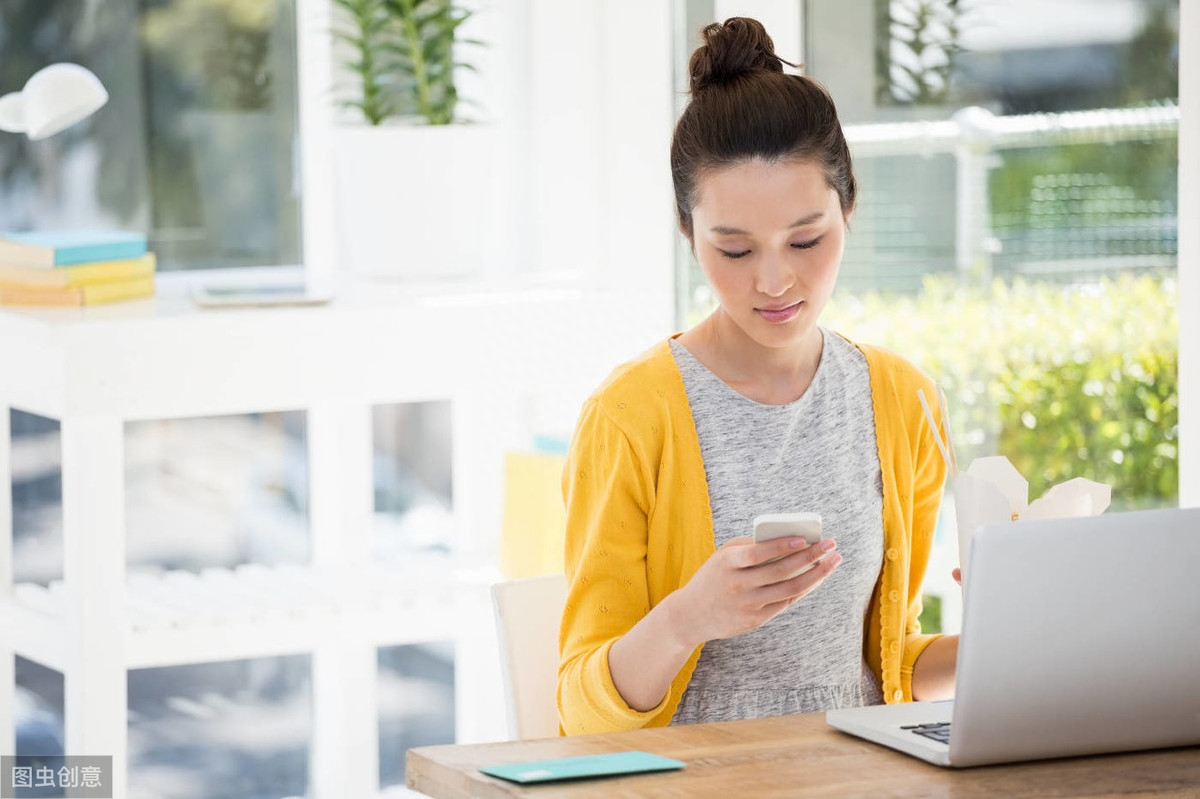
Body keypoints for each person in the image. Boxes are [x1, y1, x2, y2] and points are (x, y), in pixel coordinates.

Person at [557, 17, 959, 736]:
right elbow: (581, 706)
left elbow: (887, 663)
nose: (775, 280)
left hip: (862, 779)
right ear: (688, 232)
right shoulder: (630, 416)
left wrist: (1012, 644)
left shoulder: (903, 400)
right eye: (735, 249)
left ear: (849, 209)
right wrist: (687, 617)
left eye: (806, 240)